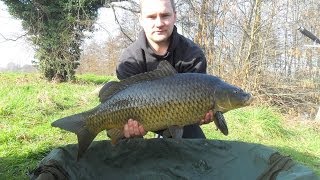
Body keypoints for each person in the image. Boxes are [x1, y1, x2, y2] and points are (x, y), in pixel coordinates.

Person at [116, 0, 213, 139]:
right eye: (151, 17)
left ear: (175, 16)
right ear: (141, 19)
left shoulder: (192, 55)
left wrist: (201, 113)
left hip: (181, 118)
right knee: (124, 138)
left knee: (194, 144)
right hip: (142, 116)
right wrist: (131, 130)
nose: (159, 23)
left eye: (165, 15)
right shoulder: (130, 59)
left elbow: (200, 99)